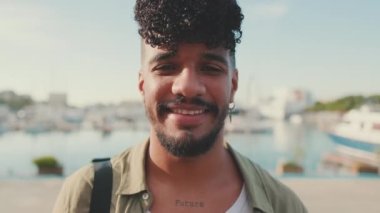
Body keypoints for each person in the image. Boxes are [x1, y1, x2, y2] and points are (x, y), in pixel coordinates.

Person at [53, 0, 307, 212]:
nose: (187, 86)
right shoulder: (90, 193)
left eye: (210, 68)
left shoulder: (282, 205)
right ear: (142, 84)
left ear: (234, 84)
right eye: (166, 67)